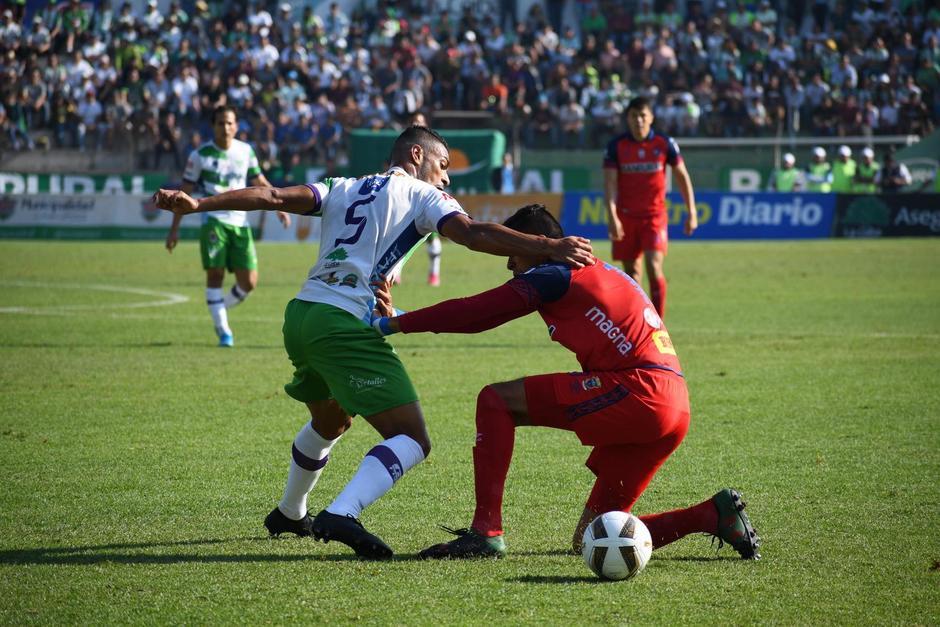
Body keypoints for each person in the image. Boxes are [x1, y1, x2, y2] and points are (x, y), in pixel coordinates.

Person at [153, 126, 594, 560]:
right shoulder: (424, 196)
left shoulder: (343, 185)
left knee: (331, 421)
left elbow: (271, 197)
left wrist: (198, 204)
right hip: (344, 324)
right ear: (416, 157)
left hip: (302, 315)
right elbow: (474, 234)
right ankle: (343, 513)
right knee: (413, 437)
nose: (446, 178)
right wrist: (548, 245)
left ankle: (290, 512)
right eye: (443, 166)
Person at [370, 205, 760, 560]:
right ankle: (712, 515)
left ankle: (485, 532)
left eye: (514, 250)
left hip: (637, 392)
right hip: (674, 404)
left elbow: (479, 313)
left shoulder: (553, 273)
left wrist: (396, 323)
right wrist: (404, 315)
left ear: (538, 246)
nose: (509, 263)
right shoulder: (594, 269)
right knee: (592, 539)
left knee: (495, 401)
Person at [165, 105, 290, 347]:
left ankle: (217, 308)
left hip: (240, 222)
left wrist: (280, 206)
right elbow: (184, 195)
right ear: (213, 126)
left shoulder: (245, 151)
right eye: (221, 123)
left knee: (249, 282)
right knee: (216, 275)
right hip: (213, 221)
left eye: (230, 123)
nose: (226, 127)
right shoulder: (199, 156)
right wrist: (174, 229)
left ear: (236, 126)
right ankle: (224, 331)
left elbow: (260, 181)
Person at [604, 97, 697, 320]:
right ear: (628, 118)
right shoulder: (616, 146)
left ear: (651, 118)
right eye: (634, 116)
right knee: (632, 275)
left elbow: (682, 176)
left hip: (654, 217)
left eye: (643, 115)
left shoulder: (665, 144)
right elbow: (609, 184)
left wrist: (691, 211)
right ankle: (637, 321)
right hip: (626, 217)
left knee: (654, 268)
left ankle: (658, 323)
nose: (639, 120)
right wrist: (612, 216)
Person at [409, 111, 443, 286]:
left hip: (427, 196)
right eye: (414, 122)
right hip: (407, 197)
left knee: (432, 237)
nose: (417, 124)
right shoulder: (404, 145)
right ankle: (393, 274)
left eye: (420, 122)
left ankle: (434, 274)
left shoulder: (433, 148)